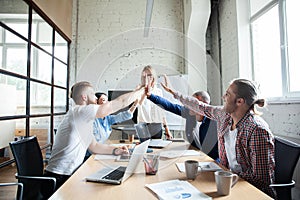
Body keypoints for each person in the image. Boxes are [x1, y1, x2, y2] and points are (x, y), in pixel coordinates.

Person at [160, 78, 275, 198]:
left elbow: (261, 179)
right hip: (227, 183)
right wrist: (175, 93)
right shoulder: (224, 115)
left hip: (250, 192)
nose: (223, 97)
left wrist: (228, 175)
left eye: (227, 94)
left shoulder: (257, 130)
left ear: (239, 101)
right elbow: (201, 107)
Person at [44, 81, 143, 190]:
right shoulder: (79, 111)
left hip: (70, 174)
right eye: (93, 94)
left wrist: (116, 150)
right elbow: (119, 102)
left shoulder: (83, 119)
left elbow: (94, 146)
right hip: (58, 178)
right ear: (84, 97)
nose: (96, 98)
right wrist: (140, 91)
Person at [146, 86, 219, 161]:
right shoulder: (189, 113)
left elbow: (217, 153)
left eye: (191, 102)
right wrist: (150, 96)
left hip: (211, 162)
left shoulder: (214, 122)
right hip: (196, 157)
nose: (187, 104)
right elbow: (170, 106)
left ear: (203, 104)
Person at [84, 92, 138, 160]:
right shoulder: (91, 120)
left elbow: (125, 115)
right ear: (96, 103)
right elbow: (93, 147)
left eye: (107, 101)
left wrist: (135, 104)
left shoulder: (108, 118)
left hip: (99, 153)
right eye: (103, 100)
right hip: (88, 156)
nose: (106, 103)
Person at [137, 65, 172, 139]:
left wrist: (166, 128)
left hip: (156, 125)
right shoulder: (138, 90)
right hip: (143, 125)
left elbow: (161, 111)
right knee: (143, 148)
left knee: (157, 148)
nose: (147, 78)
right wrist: (145, 90)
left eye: (149, 75)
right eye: (145, 76)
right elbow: (139, 104)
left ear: (153, 76)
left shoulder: (158, 91)